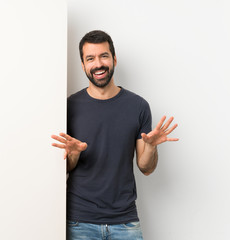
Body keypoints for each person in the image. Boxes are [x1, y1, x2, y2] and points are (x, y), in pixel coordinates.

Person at [51, 30, 178, 240]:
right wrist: (73, 155)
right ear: (83, 65)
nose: (98, 64)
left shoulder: (138, 106)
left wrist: (152, 147)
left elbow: (146, 168)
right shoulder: (69, 106)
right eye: (90, 58)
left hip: (125, 222)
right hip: (79, 221)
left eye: (104, 56)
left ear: (114, 59)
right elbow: (64, 168)